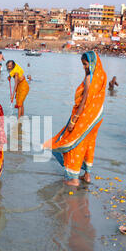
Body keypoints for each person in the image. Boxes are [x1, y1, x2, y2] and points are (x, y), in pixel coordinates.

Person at [42, 51, 106, 186]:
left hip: (85, 116)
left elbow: (84, 101)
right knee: (89, 144)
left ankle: (74, 179)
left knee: (75, 144)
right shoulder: (102, 76)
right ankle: (87, 175)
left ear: (92, 63)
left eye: (85, 64)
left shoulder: (90, 79)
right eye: (83, 64)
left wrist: (73, 120)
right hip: (97, 117)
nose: (84, 67)